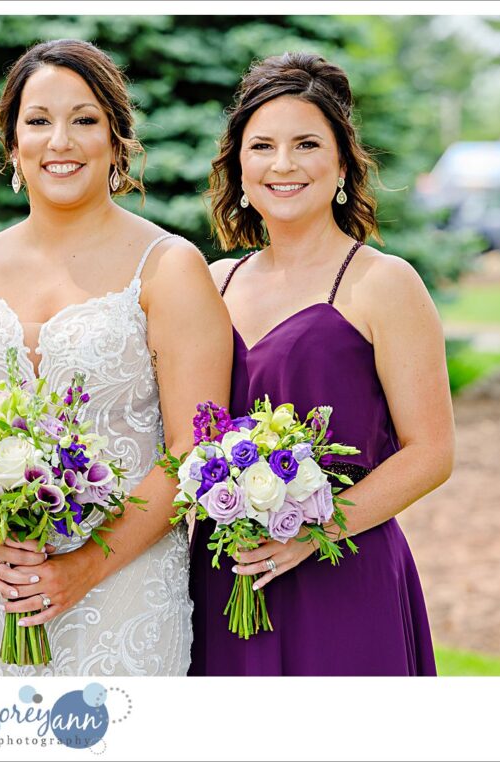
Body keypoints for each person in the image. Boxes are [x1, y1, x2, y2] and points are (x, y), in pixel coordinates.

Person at [0, 39, 231, 676]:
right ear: (12, 145)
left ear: (116, 141)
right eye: (38, 121)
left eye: (84, 120)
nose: (61, 140)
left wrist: (86, 566)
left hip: (124, 588)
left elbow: (193, 449)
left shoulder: (169, 269)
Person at [190, 52, 453, 675]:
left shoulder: (384, 283)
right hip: (227, 571)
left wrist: (313, 533)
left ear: (341, 164)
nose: (283, 165)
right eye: (262, 146)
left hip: (343, 572)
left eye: (306, 144)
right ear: (239, 167)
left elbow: (431, 452)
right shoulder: (212, 282)